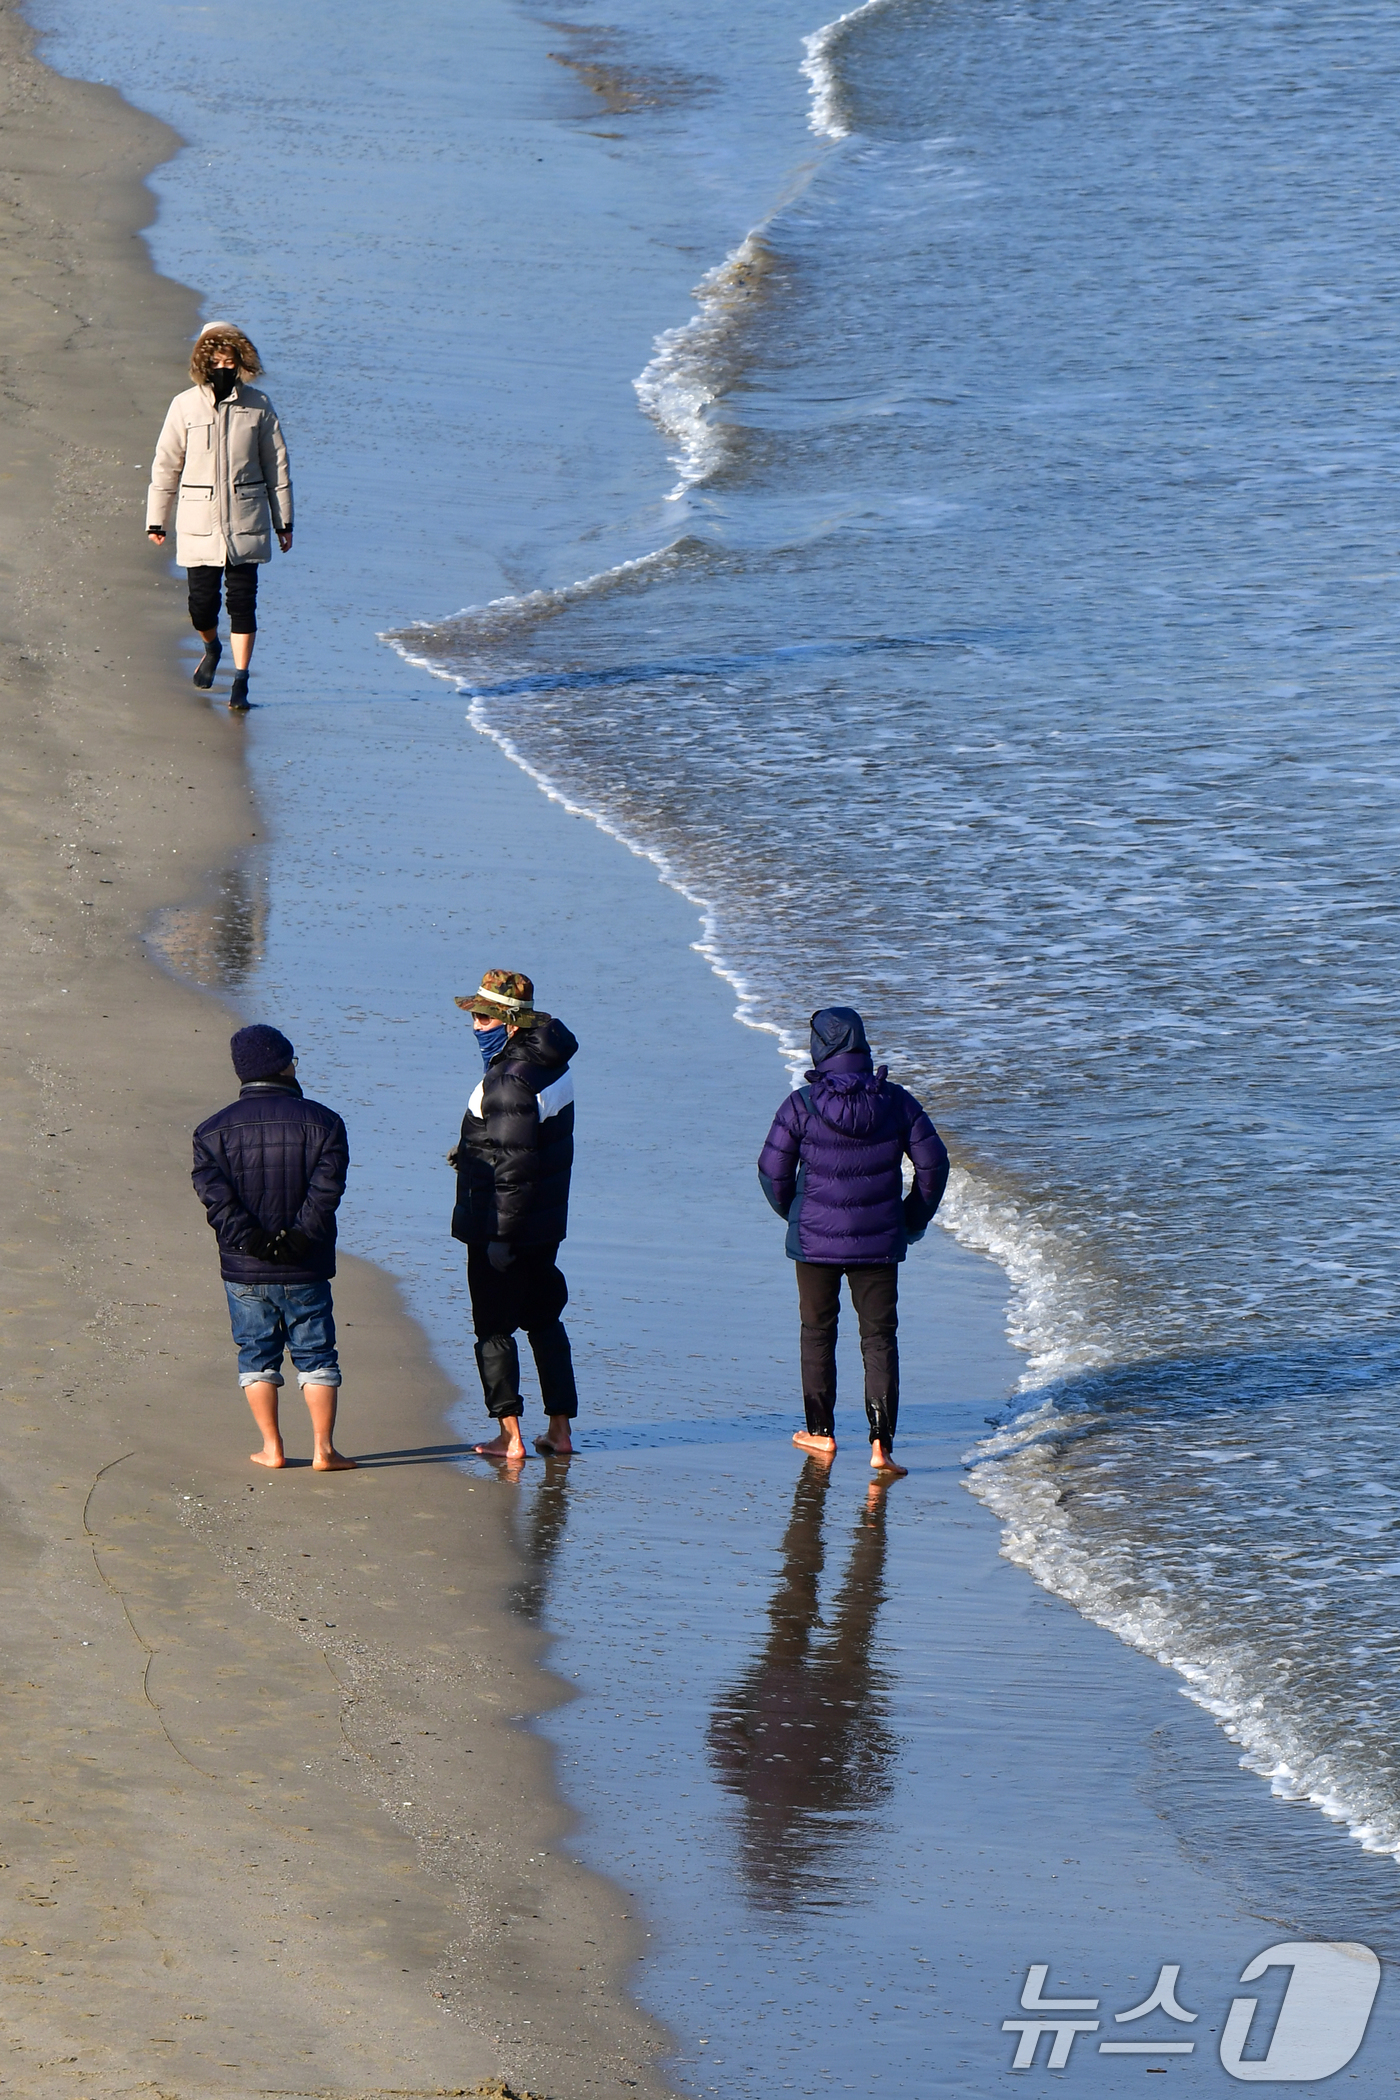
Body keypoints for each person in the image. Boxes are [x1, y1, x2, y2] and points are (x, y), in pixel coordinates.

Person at [757, 1006, 949, 1476]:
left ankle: (820, 1435)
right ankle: (881, 1446)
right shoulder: (899, 1102)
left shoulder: (800, 1104)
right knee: (879, 1338)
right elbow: (934, 1165)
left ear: (820, 1048)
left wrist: (798, 1216)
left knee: (817, 1332)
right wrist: (910, 1219)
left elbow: (771, 1171)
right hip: (880, 1244)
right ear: (861, 1044)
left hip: (814, 1244)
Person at [192, 1025, 355, 1471]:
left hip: (246, 1268)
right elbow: (326, 1192)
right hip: (306, 1264)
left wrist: (255, 1241)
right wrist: (299, 1237)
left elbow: (216, 1200)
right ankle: (324, 1450)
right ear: (284, 1066)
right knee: (317, 1355)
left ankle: (272, 1447)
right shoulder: (325, 1122)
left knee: (255, 1354)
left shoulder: (211, 1131)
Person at [449, 970, 580, 1466]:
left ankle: (510, 1435)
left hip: (501, 1225)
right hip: (546, 1224)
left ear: (508, 1024)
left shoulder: (508, 1080)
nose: (475, 1026)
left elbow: (514, 1166)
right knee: (545, 1320)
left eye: (483, 1017)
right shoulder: (551, 1064)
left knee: (494, 1326)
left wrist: (500, 1237)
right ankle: (560, 1430)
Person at [146, 320, 293, 713]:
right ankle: (211, 646)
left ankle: (241, 681)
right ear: (203, 360)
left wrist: (285, 522)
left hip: (247, 520)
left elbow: (276, 465)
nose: (224, 367)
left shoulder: (258, 406)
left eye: (231, 360)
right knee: (201, 606)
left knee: (243, 603)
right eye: (216, 359)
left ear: (241, 361)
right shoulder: (184, 405)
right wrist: (156, 519)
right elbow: (166, 464)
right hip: (199, 524)